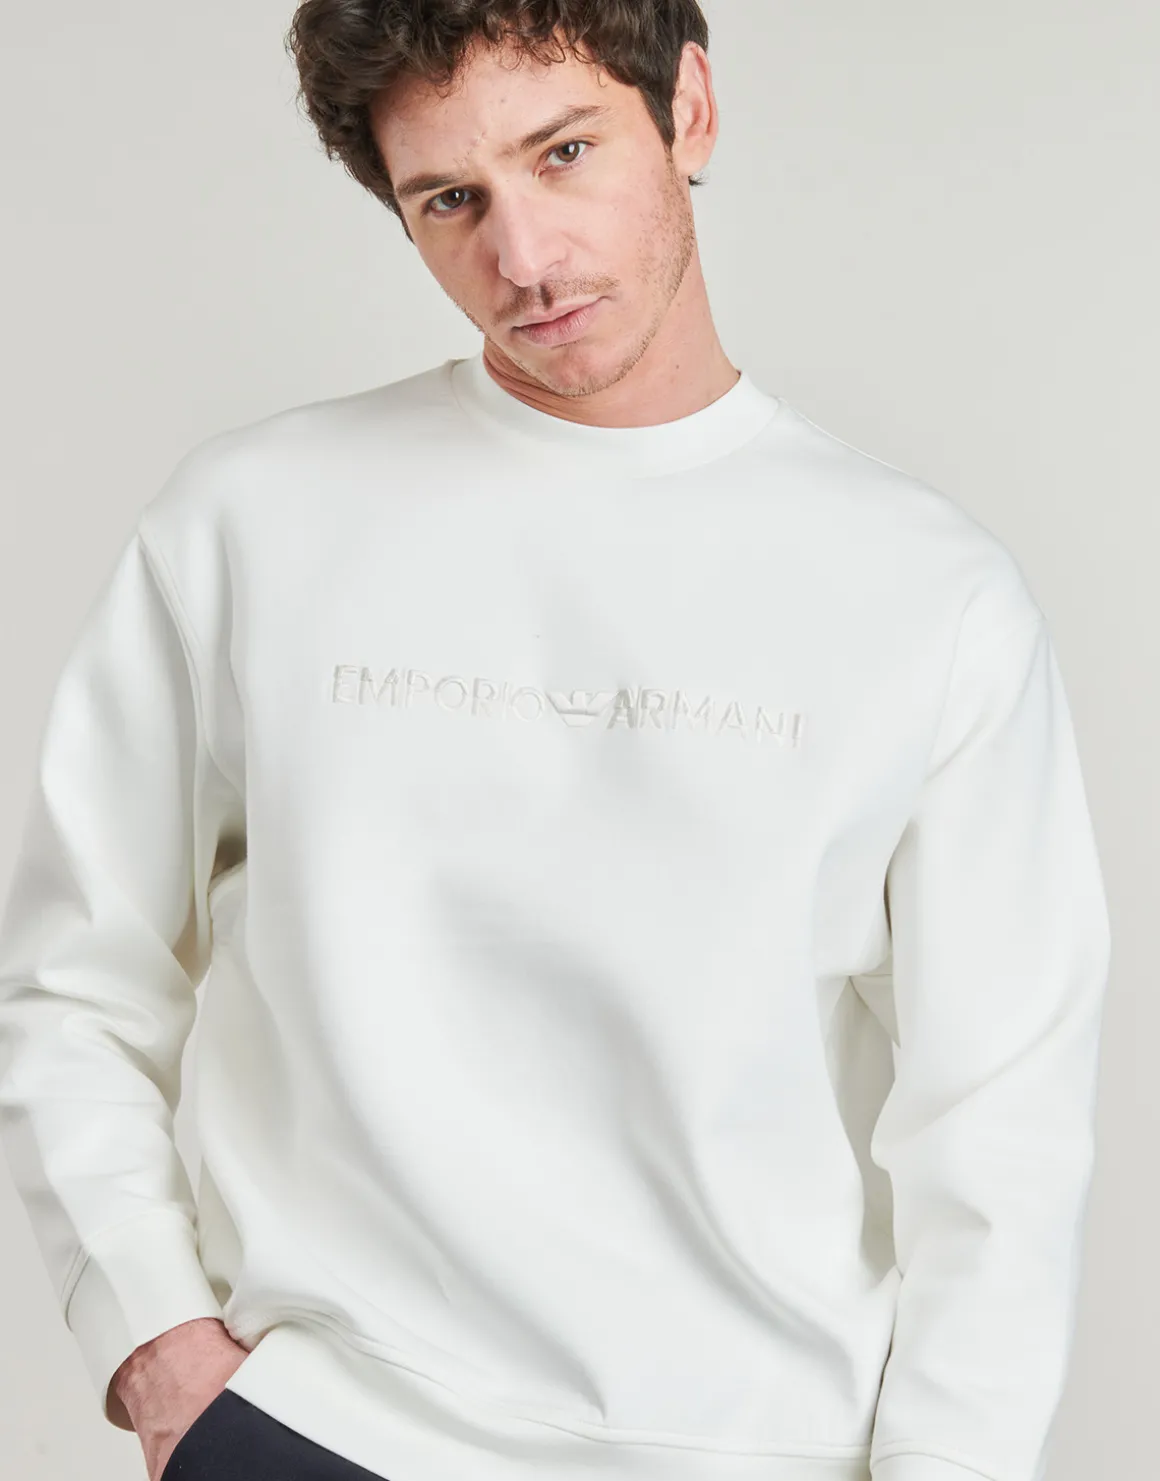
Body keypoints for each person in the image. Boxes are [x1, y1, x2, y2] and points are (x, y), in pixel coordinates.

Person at [0, 4, 1112, 1481]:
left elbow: (998, 1132)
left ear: (689, 109)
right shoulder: (252, 523)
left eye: (565, 152)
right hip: (322, 1428)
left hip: (753, 1453)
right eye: (450, 199)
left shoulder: (931, 598)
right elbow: (77, 972)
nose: (522, 257)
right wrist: (153, 1339)